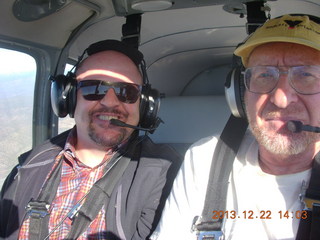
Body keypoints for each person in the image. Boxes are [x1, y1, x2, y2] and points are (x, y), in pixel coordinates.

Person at [150, 14, 320, 240]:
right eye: (264, 75)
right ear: (240, 94)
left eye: (306, 75)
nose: (280, 99)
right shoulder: (204, 159)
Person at [0, 39, 182, 240]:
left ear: (145, 105)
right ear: (67, 97)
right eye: (92, 88)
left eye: (127, 92)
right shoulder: (28, 166)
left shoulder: (163, 174)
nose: (110, 102)